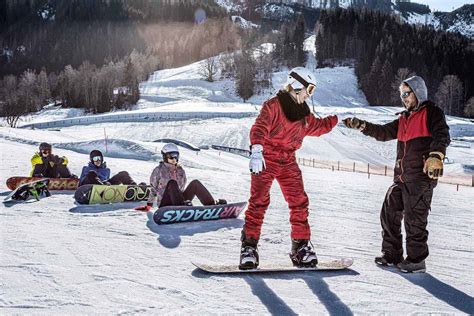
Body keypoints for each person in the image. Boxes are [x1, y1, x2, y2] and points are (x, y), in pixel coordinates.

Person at [343, 75, 450, 273]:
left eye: (407, 94)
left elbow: (442, 135)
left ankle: (417, 260)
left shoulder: (431, 113)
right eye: (401, 94)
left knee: (414, 220)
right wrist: (362, 126)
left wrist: (436, 155)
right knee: (389, 212)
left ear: (418, 92)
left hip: (420, 178)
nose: (403, 98)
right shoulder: (403, 118)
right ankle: (392, 254)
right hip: (401, 177)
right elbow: (383, 132)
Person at [239, 67, 338, 270]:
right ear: (296, 85)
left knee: (299, 201)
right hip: (266, 158)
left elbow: (318, 127)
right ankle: (249, 247)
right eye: (309, 90)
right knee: (259, 202)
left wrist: (338, 120)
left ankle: (300, 247)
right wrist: (257, 150)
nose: (309, 95)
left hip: (288, 161)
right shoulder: (274, 106)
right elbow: (259, 127)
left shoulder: (303, 114)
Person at [134, 143, 226, 212]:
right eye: (171, 156)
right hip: (165, 204)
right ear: (165, 157)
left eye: (176, 156)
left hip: (180, 201)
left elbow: (181, 189)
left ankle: (212, 205)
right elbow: (153, 189)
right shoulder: (158, 170)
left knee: (195, 183)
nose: (174, 159)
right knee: (172, 183)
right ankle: (182, 207)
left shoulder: (180, 171)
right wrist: (149, 205)